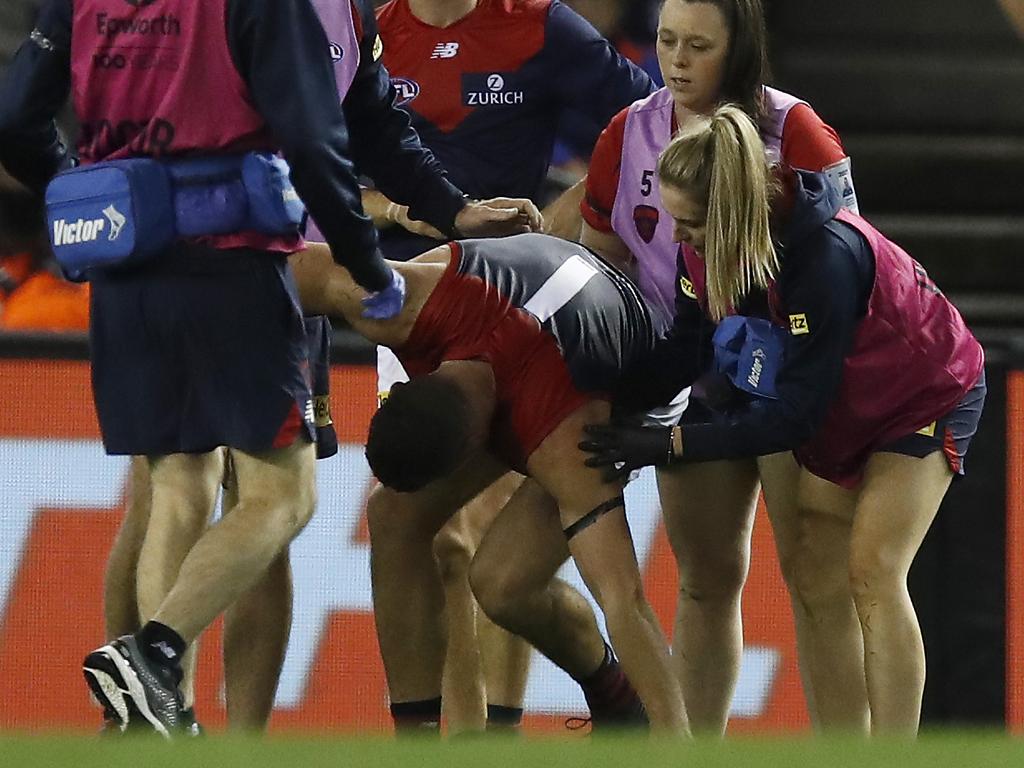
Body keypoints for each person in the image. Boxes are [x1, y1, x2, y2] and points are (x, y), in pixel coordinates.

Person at [89, 0, 543, 734]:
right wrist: (370, 260)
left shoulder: (350, 14)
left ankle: (222, 739)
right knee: (207, 493)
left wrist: (454, 213)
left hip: (281, 273)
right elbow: (312, 141)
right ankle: (148, 698)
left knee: (234, 515)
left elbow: (372, 124)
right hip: (241, 268)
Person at [580, 105, 986, 736]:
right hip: (846, 400)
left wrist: (671, 443)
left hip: (924, 394)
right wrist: (603, 399)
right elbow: (686, 350)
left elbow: (793, 417)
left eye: (689, 223)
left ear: (735, 211)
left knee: (873, 568)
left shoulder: (824, 258)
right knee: (818, 575)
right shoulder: (709, 246)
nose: (677, 237)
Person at [366, 0, 656, 733]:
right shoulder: (366, 29)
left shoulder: (540, 25)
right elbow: (319, 163)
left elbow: (649, 125)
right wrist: (398, 214)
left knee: (488, 532)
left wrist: (570, 212)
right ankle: (443, 732)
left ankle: (500, 731)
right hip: (415, 304)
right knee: (430, 535)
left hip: (523, 304)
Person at [577, 0, 864, 734]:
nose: (675, 61)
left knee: (814, 578)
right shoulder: (629, 132)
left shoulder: (796, 130)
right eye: (667, 41)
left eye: (697, 46)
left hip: (790, 375)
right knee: (704, 583)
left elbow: (848, 264)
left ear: (737, 51)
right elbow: (599, 267)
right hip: (687, 374)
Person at [288, 233, 688, 735]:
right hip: (531, 306)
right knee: (392, 514)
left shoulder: (571, 444)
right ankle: (417, 741)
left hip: (622, 392)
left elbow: (624, 600)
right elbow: (293, 267)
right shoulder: (399, 304)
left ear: (478, 449)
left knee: (503, 586)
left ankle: (620, 703)